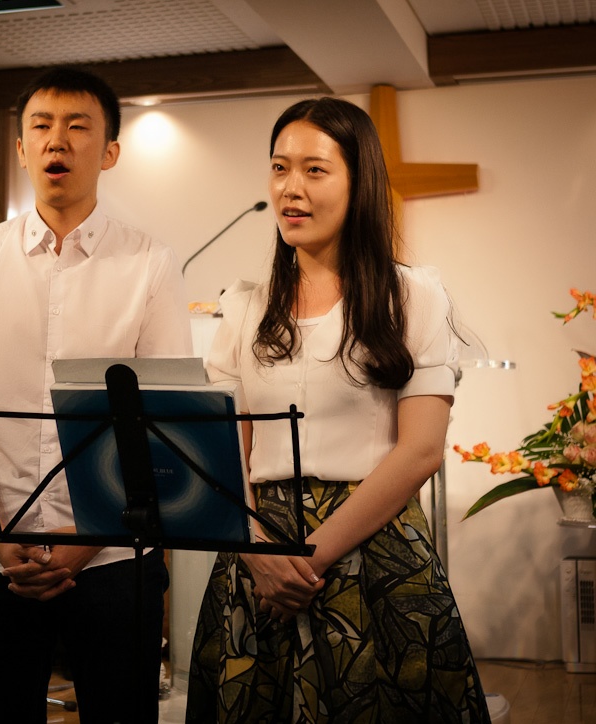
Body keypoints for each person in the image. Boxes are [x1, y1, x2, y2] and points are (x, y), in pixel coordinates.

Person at [185, 97, 490, 723]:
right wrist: (255, 551)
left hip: (373, 553)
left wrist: (310, 557)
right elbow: (225, 454)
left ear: (359, 182)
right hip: (258, 554)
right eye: (279, 168)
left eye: (315, 170)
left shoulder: (412, 296)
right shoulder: (244, 308)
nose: (290, 188)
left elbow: (420, 450)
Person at [0, 66, 193, 723]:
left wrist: (85, 541)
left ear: (109, 152)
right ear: (21, 148)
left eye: (77, 127)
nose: (57, 141)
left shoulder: (150, 263)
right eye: (41, 127)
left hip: (112, 555)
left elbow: (160, 420)